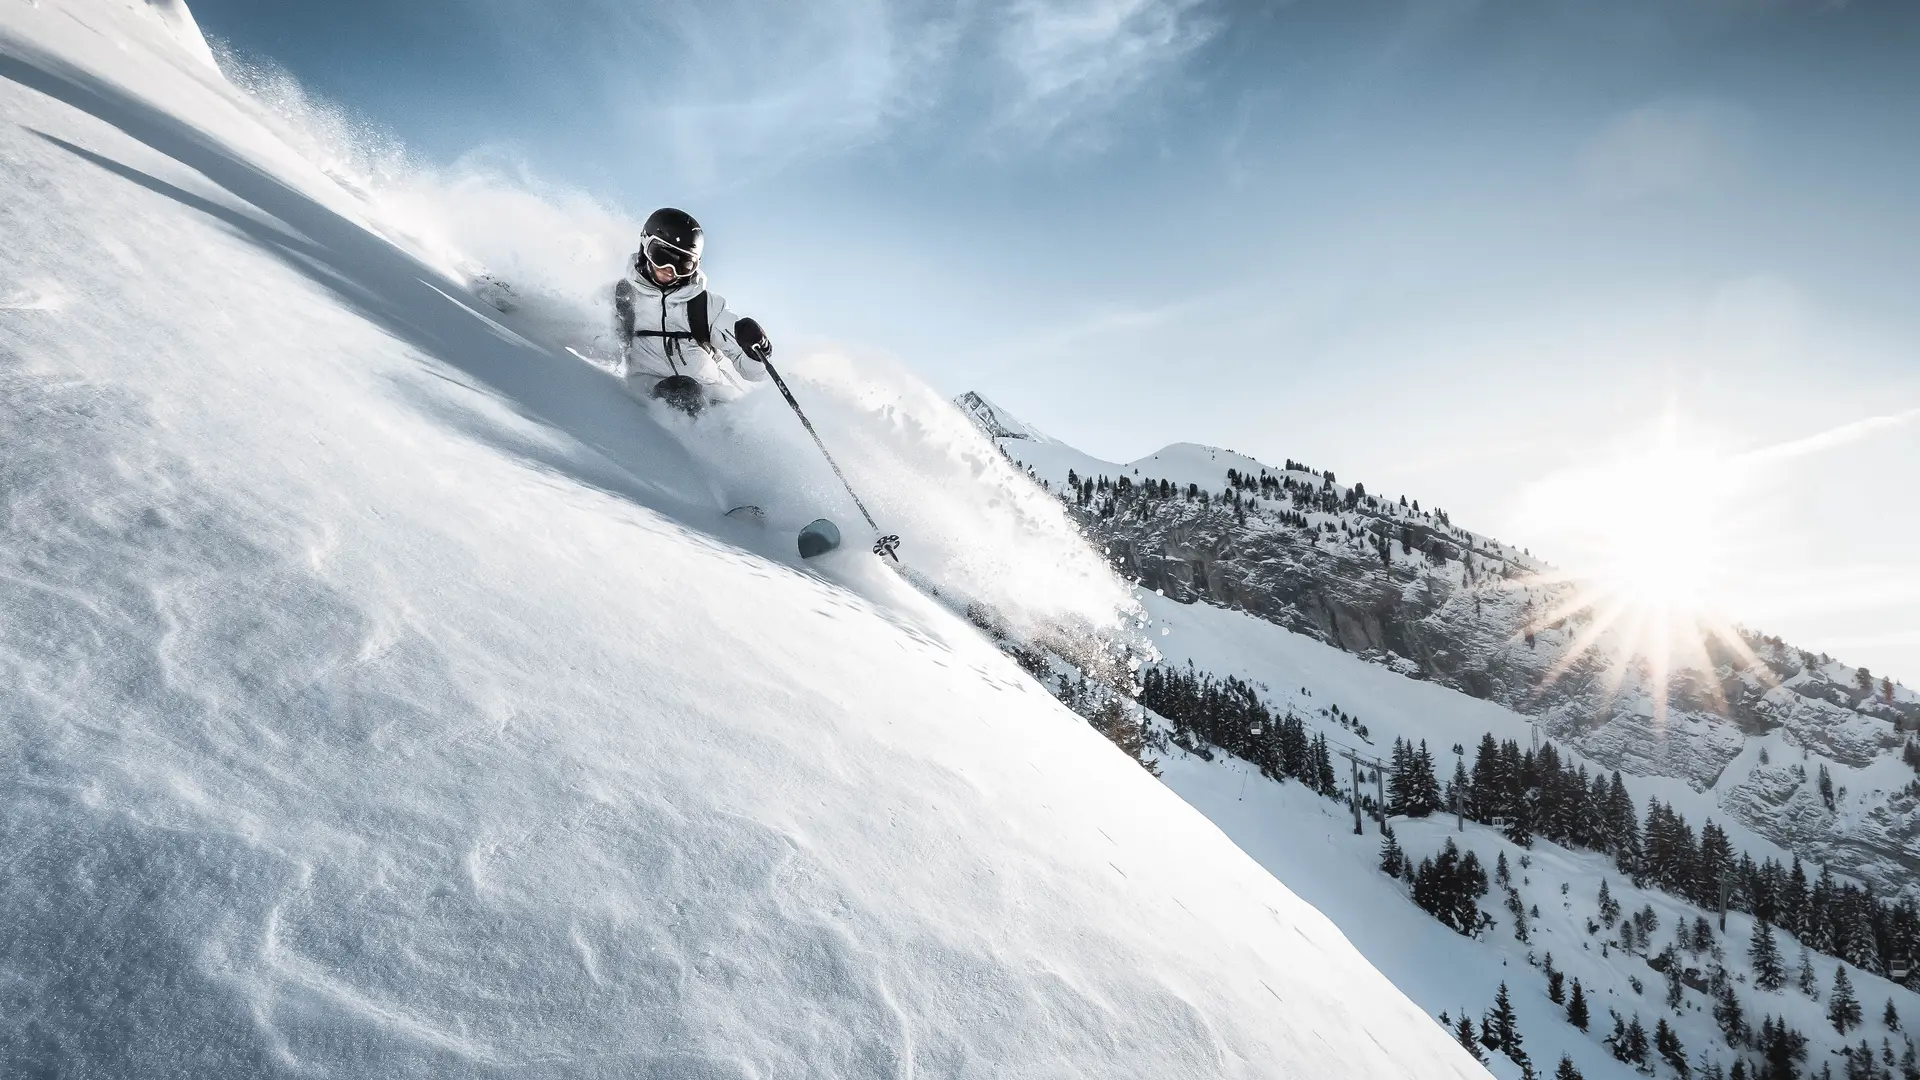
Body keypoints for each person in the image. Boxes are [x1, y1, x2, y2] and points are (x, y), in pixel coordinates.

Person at [611, 207, 772, 414]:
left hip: (712, 403)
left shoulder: (705, 306)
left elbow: (755, 374)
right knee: (681, 390)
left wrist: (757, 352)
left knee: (708, 403)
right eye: (662, 256)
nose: (670, 269)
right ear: (644, 246)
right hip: (648, 402)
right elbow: (591, 342)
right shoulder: (622, 297)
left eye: (684, 263)